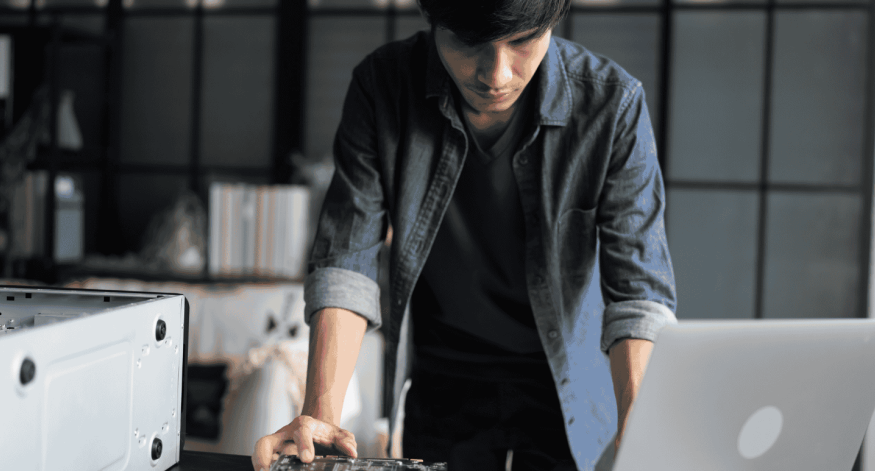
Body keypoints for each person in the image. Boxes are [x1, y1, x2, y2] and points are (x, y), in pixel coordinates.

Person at [253, 0, 676, 469]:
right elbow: (346, 260)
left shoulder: (612, 104)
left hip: (569, 384)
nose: (496, 75)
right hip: (444, 381)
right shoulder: (384, 85)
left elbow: (637, 291)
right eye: (470, 43)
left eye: (522, 41)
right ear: (434, 18)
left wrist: (639, 423)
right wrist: (320, 416)